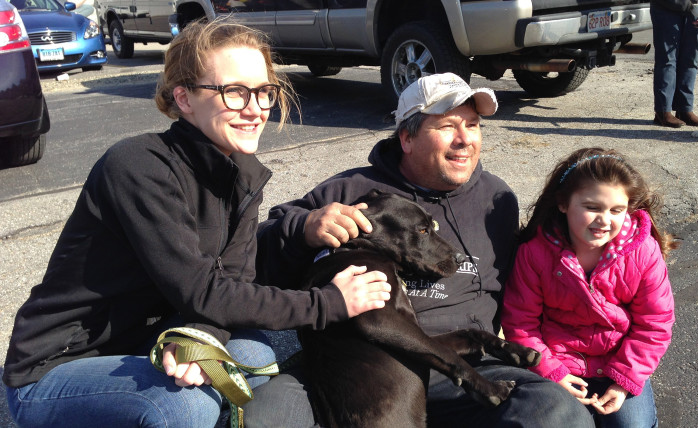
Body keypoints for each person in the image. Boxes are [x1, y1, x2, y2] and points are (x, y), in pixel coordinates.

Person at [3, 19, 391, 427]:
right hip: (57, 368)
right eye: (234, 92)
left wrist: (198, 337)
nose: (256, 108)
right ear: (184, 99)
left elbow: (234, 282)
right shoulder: (137, 167)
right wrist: (329, 303)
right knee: (186, 407)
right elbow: (204, 290)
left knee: (258, 350)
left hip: (150, 335)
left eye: (264, 92)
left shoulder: (241, 174)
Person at [249, 72, 595, 427]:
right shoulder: (350, 192)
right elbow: (255, 256)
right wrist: (303, 229)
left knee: (556, 411)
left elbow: (539, 272)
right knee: (268, 414)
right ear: (407, 138)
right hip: (358, 366)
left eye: (473, 125)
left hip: (465, 361)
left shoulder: (497, 199)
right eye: (447, 126)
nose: (465, 140)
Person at [501, 148, 677, 427]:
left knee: (633, 425)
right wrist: (551, 371)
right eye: (592, 207)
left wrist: (625, 381)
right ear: (563, 204)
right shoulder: (534, 253)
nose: (604, 220)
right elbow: (520, 323)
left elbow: (655, 324)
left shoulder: (643, 251)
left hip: (619, 365)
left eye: (617, 210)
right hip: (558, 364)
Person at [651, 0, 698, 128]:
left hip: (697, 9)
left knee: (690, 60)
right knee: (667, 61)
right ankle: (663, 111)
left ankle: (684, 109)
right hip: (666, 8)